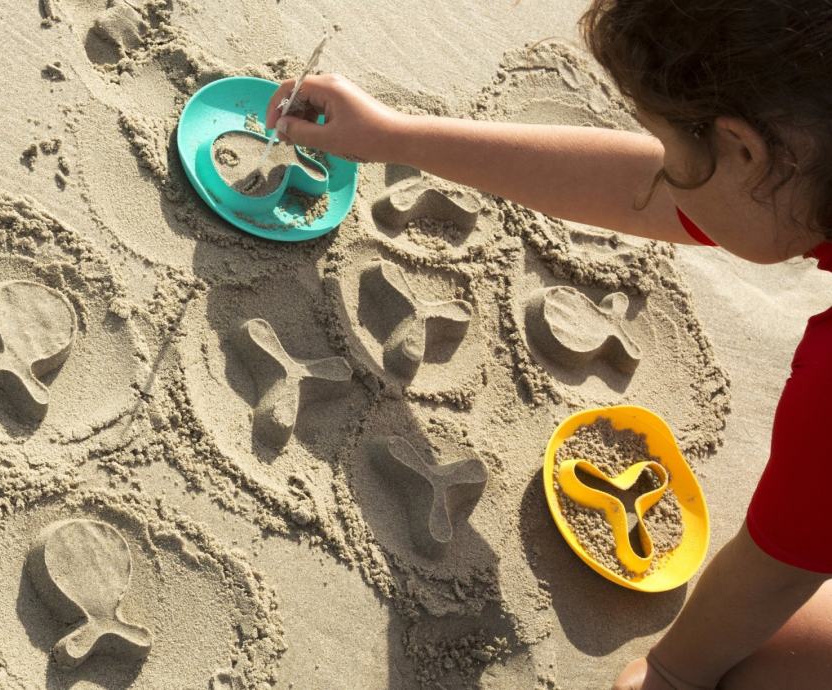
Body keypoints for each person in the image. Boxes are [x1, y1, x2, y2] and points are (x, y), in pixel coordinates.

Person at [264, 1, 832, 688]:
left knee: (766, 670)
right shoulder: (798, 173)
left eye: (671, 153)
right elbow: (642, 191)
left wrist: (672, 672)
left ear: (744, 150)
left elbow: (779, 570)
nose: (661, 173)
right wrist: (396, 135)